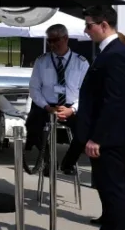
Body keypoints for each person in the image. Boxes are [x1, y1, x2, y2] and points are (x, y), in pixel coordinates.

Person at [72, 6, 125, 230]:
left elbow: (114, 101)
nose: (85, 30)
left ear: (103, 25)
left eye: (89, 25)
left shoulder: (116, 55)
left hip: (112, 137)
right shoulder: (109, 53)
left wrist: (97, 138)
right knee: (107, 189)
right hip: (110, 135)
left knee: (115, 191)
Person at [23, 24, 89, 176]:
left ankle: (68, 163)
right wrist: (47, 107)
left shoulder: (81, 62)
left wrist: (72, 109)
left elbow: (86, 92)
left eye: (55, 40)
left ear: (65, 39)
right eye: (49, 41)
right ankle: (48, 159)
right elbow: (34, 88)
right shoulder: (42, 61)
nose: (52, 44)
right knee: (32, 127)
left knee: (84, 131)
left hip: (71, 106)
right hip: (46, 105)